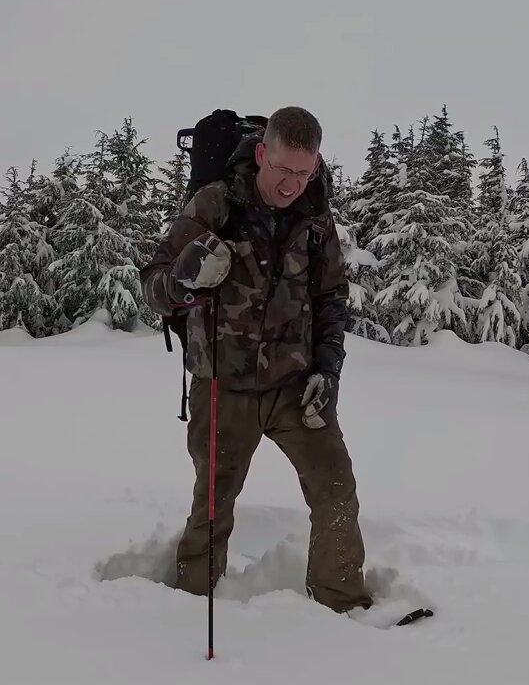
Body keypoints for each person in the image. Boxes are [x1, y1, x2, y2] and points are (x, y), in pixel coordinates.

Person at [139, 106, 373, 614]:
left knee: (337, 492)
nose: (291, 184)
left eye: (303, 172)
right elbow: (154, 287)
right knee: (211, 508)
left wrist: (327, 370)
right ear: (262, 153)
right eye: (283, 170)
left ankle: (344, 608)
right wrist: (185, 276)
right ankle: (186, 610)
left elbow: (332, 297)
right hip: (223, 383)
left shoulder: (315, 216)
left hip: (295, 386)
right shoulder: (215, 204)